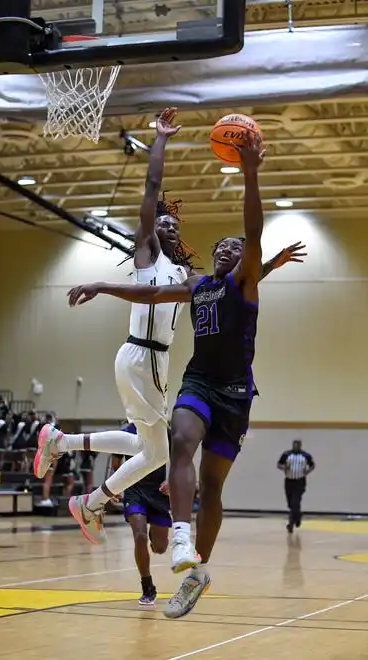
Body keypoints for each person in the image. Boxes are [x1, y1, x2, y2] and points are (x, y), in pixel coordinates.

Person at [34, 109, 306, 545]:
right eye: (161, 222)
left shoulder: (185, 277)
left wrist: (269, 264)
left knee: (153, 446)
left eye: (174, 224)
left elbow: (236, 289)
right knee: (158, 450)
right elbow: (151, 190)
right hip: (141, 355)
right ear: (150, 230)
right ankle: (91, 499)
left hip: (157, 364)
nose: (167, 226)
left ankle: (64, 444)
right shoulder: (147, 257)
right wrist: (159, 140)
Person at [112, 421, 171, 607]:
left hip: (158, 491)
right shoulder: (126, 432)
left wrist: (172, 480)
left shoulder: (163, 431)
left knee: (161, 547)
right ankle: (147, 586)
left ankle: (154, 533)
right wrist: (114, 487)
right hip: (133, 489)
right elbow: (115, 462)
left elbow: (180, 459)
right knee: (139, 536)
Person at [277, 439, 315, 533]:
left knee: (295, 502)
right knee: (290, 503)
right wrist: (284, 468)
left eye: (297, 445)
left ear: (300, 446)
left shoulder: (305, 455)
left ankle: (291, 524)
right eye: (294, 445)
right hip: (289, 481)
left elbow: (312, 465)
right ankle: (298, 516)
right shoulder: (286, 454)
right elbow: (279, 464)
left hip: (300, 481)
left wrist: (308, 471)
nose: (295, 447)